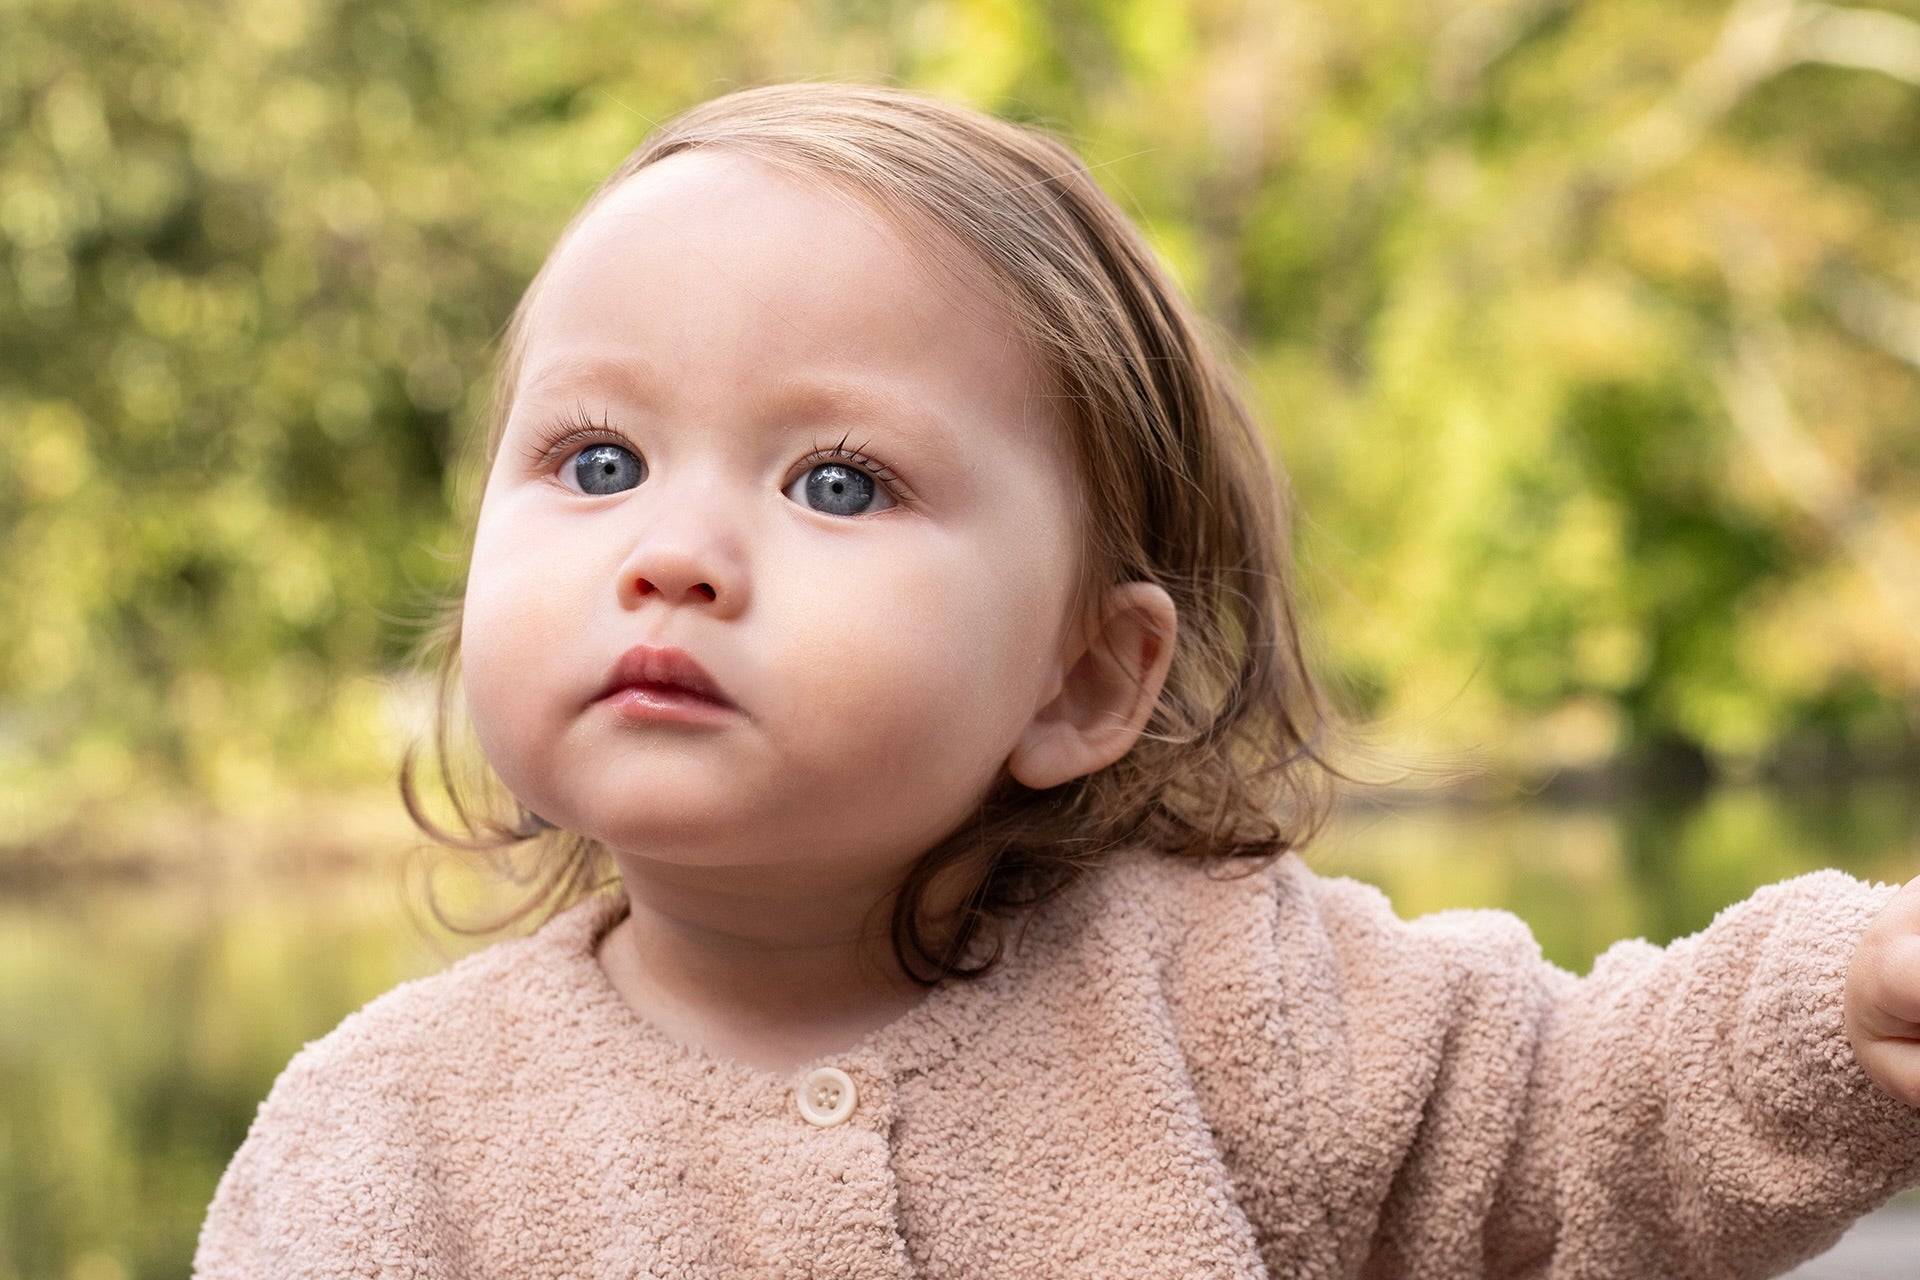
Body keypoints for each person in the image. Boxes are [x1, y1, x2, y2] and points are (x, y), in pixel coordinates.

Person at [192, 81, 1920, 1278]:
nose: (674, 551)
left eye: (839, 483)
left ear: (1084, 679)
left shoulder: (1235, 1009)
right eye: (593, 459)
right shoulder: (383, 1144)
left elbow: (1587, 1118)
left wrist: (1849, 1005)